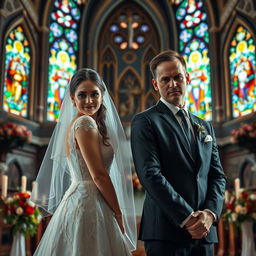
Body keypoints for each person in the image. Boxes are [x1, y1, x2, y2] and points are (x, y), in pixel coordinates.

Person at [130, 50, 226, 256]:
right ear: (156, 85)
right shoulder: (145, 121)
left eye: (177, 77)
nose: (172, 84)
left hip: (205, 232)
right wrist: (188, 218)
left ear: (187, 78)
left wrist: (209, 214)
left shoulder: (205, 126)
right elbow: (150, 174)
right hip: (166, 232)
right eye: (165, 79)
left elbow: (217, 175)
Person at [32, 68, 137, 255]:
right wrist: (119, 213)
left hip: (88, 199)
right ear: (73, 98)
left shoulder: (84, 123)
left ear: (102, 95)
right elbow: (99, 175)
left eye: (94, 94)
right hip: (88, 203)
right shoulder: (85, 124)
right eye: (82, 95)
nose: (89, 100)